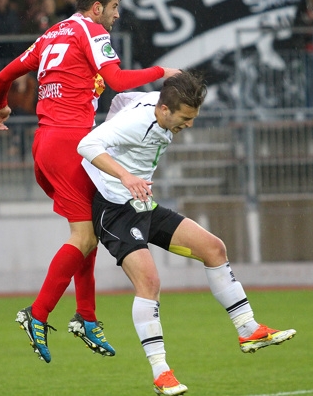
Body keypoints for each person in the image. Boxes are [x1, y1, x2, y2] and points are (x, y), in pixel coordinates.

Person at [0, 0, 180, 364]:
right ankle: (37, 314)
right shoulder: (92, 31)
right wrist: (162, 73)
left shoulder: (51, 34)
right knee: (83, 237)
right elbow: (118, 81)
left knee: (88, 228)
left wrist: (0, 105)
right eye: (113, 8)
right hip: (71, 144)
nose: (115, 16)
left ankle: (87, 317)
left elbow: (4, 75)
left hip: (44, 144)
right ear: (97, 7)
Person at [77, 72, 296, 395]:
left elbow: (123, 98)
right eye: (185, 118)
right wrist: (125, 176)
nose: (189, 125)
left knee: (213, 248)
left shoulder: (159, 103)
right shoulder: (140, 122)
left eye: (193, 118)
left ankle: (248, 329)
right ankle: (161, 372)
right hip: (115, 210)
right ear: (165, 110)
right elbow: (87, 143)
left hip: (143, 204)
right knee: (149, 283)